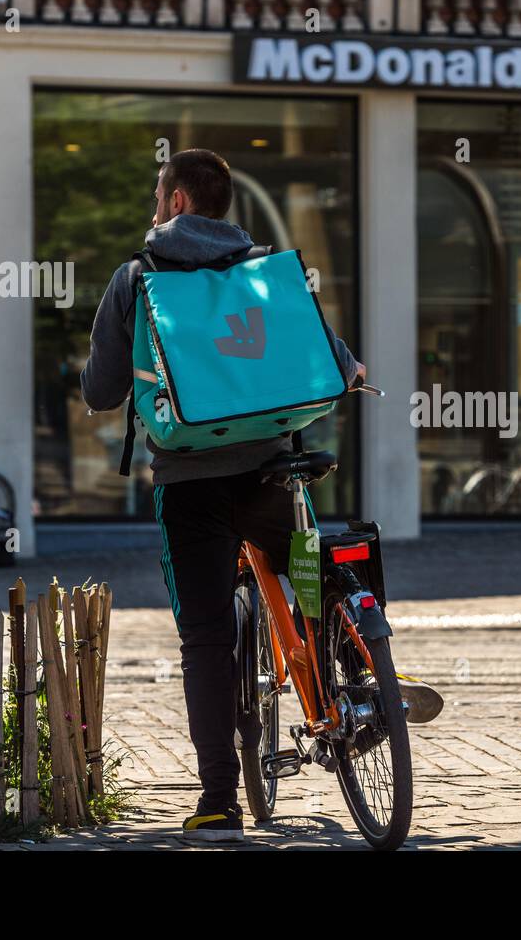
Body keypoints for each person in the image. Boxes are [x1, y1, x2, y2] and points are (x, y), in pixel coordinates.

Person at [81, 149, 440, 843]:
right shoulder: (268, 270)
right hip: (275, 466)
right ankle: (360, 677)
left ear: (178, 201)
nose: (157, 209)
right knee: (312, 570)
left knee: (207, 637)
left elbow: (101, 391)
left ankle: (219, 799)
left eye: (160, 197)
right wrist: (351, 369)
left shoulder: (136, 276)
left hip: (191, 485)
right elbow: (338, 360)